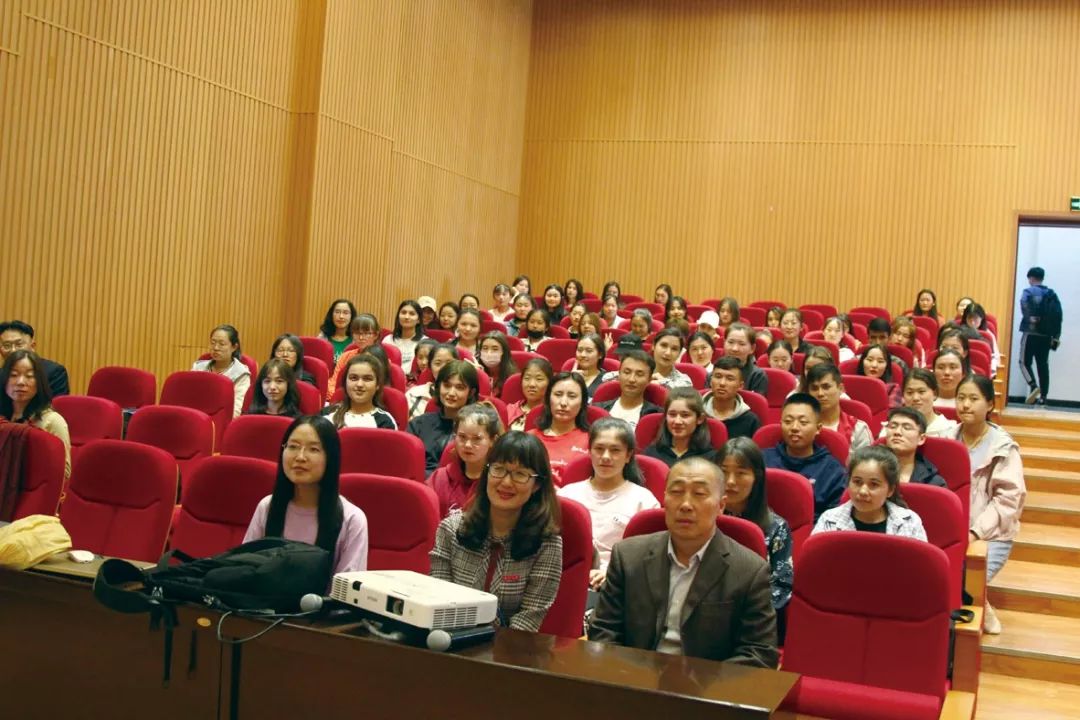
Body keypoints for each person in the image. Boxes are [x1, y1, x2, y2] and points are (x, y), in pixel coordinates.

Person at [588, 457, 778, 667]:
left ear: (721, 505)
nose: (686, 504)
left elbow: (759, 653)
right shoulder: (628, 555)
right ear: (665, 499)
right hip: (633, 676)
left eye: (699, 494)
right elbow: (603, 630)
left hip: (708, 683)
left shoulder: (750, 570)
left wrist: (697, 681)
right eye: (677, 492)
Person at [430, 431, 563, 632]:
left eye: (520, 474)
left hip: (512, 646)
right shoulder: (450, 529)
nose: (506, 482)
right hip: (449, 639)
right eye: (498, 469)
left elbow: (528, 620)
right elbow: (438, 603)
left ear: (536, 485)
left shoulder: (547, 544)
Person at [243, 415, 368, 574]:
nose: (300, 457)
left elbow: (347, 587)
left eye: (313, 449)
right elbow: (244, 567)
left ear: (331, 458)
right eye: (293, 446)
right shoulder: (267, 506)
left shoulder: (352, 520)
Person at [955, 374, 1026, 634]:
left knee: (965, 582)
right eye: (961, 398)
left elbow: (1008, 501)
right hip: (953, 530)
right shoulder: (945, 438)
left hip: (991, 534)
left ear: (989, 404)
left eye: (974, 399)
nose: (965, 405)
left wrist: (975, 532)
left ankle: (980, 605)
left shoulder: (1003, 447)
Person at [558, 418, 660, 589]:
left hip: (619, 583)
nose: (605, 457)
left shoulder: (644, 501)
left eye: (615, 450)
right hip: (567, 578)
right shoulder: (566, 495)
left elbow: (648, 557)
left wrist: (610, 573)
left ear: (628, 455)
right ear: (589, 451)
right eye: (599, 449)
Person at [718, 438, 793, 611]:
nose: (730, 481)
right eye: (723, 472)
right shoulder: (704, 518)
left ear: (756, 477)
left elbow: (782, 586)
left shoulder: (776, 527)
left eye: (740, 473)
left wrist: (750, 613)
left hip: (753, 615)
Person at [812, 446, 928, 540]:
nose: (863, 491)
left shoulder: (909, 522)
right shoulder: (829, 521)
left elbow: (919, 562)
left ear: (890, 490)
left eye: (874, 484)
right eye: (857, 482)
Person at [763, 394, 847, 520]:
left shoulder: (833, 471)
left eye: (803, 422)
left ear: (818, 428)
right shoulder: (762, 459)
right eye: (788, 421)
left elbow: (833, 519)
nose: (794, 428)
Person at [0, 350, 72, 478]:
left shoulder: (52, 421)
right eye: (14, 375)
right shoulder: (2, 418)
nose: (20, 382)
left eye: (29, 376)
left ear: (39, 382)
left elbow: (64, 473)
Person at [428, 403, 503, 518]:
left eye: (477, 439)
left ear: (493, 441)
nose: (467, 445)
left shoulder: (499, 483)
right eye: (462, 437)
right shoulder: (439, 477)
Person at [407, 361, 480, 476]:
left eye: (459, 387)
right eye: (446, 385)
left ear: (471, 393)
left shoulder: (477, 430)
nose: (451, 393)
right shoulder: (418, 424)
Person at [527, 372, 591, 486]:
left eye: (572, 396)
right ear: (548, 399)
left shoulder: (591, 441)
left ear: (582, 402)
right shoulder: (529, 438)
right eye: (558, 394)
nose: (563, 403)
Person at [1019, 266, 1062, 406]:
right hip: (1046, 335)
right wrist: (1056, 336)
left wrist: (1031, 319)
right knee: (1043, 365)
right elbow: (1058, 316)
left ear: (1031, 278)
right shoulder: (1052, 294)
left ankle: (1033, 385)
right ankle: (1044, 397)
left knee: (1024, 362)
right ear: (1042, 278)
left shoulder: (1028, 292)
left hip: (1030, 333)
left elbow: (1024, 307)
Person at [642, 388, 717, 467]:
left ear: (700, 419)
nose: (677, 421)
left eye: (685, 415)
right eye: (672, 414)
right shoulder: (651, 453)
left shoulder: (711, 457)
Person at [806, 363, 872, 451]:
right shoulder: (801, 426)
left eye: (826, 387)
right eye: (814, 388)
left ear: (841, 389)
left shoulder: (858, 429)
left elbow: (867, 460)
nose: (820, 393)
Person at [592, 350, 663, 429]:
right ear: (619, 375)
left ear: (649, 379)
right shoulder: (598, 409)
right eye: (627, 372)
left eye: (639, 374)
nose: (631, 379)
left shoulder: (657, 416)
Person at [192, 324, 251, 418]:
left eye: (222, 344)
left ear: (234, 347)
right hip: (196, 417)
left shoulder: (241, 374)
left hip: (224, 421)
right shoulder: (198, 367)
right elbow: (190, 397)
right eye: (213, 343)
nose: (216, 348)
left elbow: (236, 410)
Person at [325, 354, 397, 429]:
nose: (359, 384)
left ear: (378, 384)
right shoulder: (327, 414)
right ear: (345, 382)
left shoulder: (385, 422)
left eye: (367, 379)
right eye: (353, 378)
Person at [0, 321, 70, 398]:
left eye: (19, 344)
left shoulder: (54, 372)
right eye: (7, 345)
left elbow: (57, 403)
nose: (13, 350)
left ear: (32, 346)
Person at [883, 407, 947, 487]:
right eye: (893, 426)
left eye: (907, 428)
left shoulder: (933, 482)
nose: (897, 432)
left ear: (921, 439)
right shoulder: (871, 469)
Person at [326, 314, 381, 401]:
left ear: (376, 335)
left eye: (367, 333)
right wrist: (336, 396)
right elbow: (334, 382)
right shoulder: (346, 356)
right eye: (357, 333)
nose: (361, 337)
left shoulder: (381, 358)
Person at [704, 356, 761, 439]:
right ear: (710, 381)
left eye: (730, 379)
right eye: (718, 376)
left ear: (740, 386)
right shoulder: (697, 413)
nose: (722, 383)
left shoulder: (750, 420)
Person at [899, 368, 959, 438]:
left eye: (921, 392)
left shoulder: (950, 430)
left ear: (935, 394)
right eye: (909, 392)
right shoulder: (895, 429)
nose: (915, 398)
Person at [404, 343, 459, 420]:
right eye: (438, 363)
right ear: (430, 366)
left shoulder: (464, 396)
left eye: (449, 363)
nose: (443, 368)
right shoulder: (412, 394)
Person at [507, 357, 553, 431]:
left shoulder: (553, 413)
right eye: (527, 378)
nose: (531, 384)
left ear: (550, 383)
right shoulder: (510, 409)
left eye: (539, 379)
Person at [724, 323, 768, 396]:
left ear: (752, 348)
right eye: (730, 342)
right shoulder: (714, 373)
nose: (735, 348)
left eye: (741, 344)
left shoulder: (757, 376)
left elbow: (756, 402)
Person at [382, 300, 425, 370]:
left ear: (418, 320)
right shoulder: (388, 340)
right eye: (403, 313)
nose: (406, 317)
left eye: (412, 314)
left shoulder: (424, 342)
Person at [960, 302, 1000, 374]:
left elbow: (995, 358)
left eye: (975, 318)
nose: (972, 322)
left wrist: (991, 372)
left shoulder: (988, 335)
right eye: (969, 318)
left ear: (982, 318)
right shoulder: (957, 332)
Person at [570, 333, 606, 398]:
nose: (583, 355)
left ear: (600, 354)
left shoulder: (606, 380)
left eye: (589, 351)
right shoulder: (568, 378)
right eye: (579, 350)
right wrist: (571, 381)